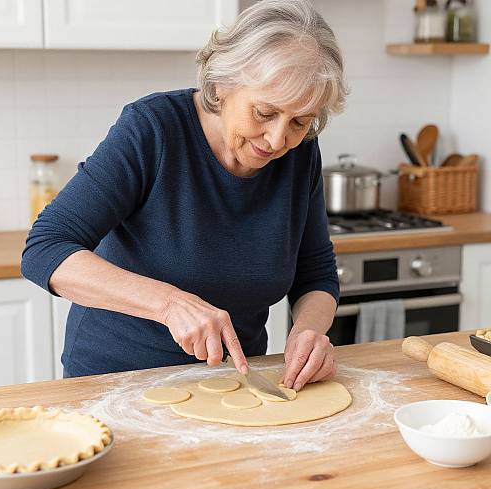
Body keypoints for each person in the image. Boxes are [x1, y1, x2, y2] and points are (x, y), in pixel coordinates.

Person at [21, 0, 347, 391]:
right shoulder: (152, 130)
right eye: (263, 112)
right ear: (221, 85)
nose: (278, 139)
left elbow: (316, 273)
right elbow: (45, 249)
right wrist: (169, 303)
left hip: (233, 382)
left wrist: (309, 332)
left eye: (299, 121)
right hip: (116, 383)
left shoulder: (300, 153)